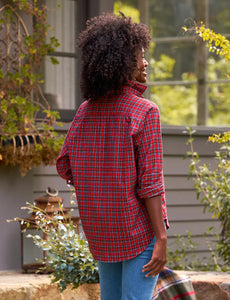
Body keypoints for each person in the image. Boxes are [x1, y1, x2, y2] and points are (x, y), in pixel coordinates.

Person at [56, 12, 169, 300]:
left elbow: (66, 165)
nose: (145, 62)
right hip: (136, 231)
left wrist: (99, 187)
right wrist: (161, 238)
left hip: (102, 233)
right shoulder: (144, 111)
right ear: (120, 61)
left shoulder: (84, 111)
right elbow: (151, 184)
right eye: (139, 56)